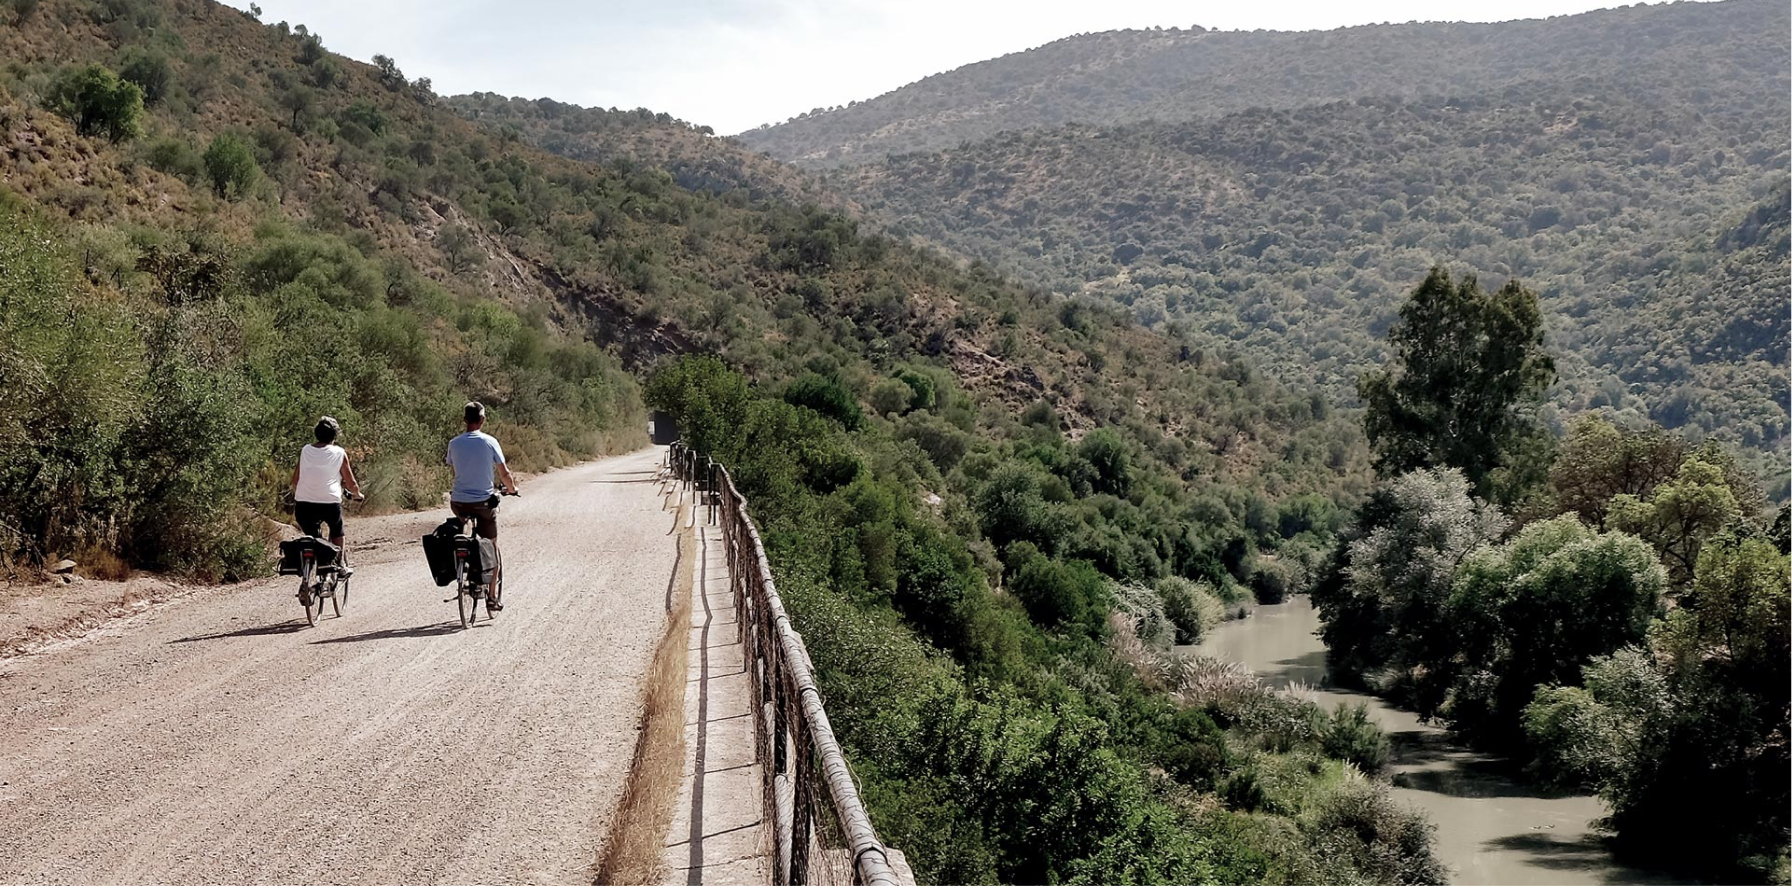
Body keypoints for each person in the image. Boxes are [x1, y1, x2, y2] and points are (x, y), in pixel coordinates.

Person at [447, 401, 517, 609]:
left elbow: (454, 469)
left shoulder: (454, 443)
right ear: (483, 420)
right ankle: (492, 598)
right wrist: (511, 489)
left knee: (463, 529)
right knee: (492, 545)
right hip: (483, 503)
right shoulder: (490, 442)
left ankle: (463, 560)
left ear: (464, 420)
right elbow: (504, 473)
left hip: (458, 502)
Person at [292, 416, 363, 579]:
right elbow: (350, 482)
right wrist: (357, 494)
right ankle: (339, 564)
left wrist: (304, 492)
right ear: (334, 436)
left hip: (303, 504)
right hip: (329, 503)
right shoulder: (339, 452)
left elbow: (295, 480)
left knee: (313, 537)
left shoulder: (305, 450)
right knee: (337, 530)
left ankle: (309, 577)